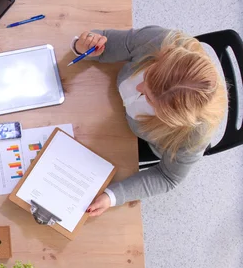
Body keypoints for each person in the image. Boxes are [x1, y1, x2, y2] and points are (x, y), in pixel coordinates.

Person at [71, 27, 228, 216]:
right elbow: (110, 41)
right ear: (164, 56)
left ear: (170, 119)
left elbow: (168, 177)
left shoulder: (192, 137)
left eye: (149, 99)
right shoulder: (159, 40)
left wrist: (113, 196)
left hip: (136, 138)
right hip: (103, 102)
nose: (138, 86)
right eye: (148, 75)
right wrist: (83, 46)